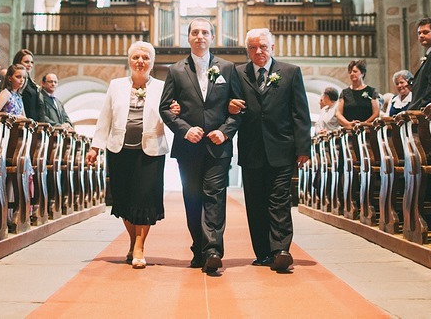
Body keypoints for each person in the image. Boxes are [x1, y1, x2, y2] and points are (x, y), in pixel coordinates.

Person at [159, 18, 241, 273]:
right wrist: (185, 130)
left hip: (218, 147)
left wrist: (224, 132)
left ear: (212, 37)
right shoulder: (176, 70)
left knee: (215, 197)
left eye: (205, 32)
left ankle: (213, 250)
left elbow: (239, 108)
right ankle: (198, 248)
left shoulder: (228, 68)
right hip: (189, 148)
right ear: (188, 37)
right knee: (192, 198)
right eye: (195, 32)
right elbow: (165, 108)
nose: (200, 36)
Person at [227, 28, 310, 272]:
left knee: (279, 200)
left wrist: (303, 147)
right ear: (247, 50)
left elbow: (300, 112)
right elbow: (230, 104)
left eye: (263, 46)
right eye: (253, 47)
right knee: (255, 202)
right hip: (251, 148)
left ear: (272, 48)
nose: (258, 51)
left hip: (282, 147)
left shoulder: (290, 72)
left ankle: (281, 250)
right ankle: (263, 252)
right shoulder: (238, 73)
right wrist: (229, 105)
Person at [87, 42, 168, 269]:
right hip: (119, 150)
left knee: (144, 200)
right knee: (125, 199)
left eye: (145, 57)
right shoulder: (116, 85)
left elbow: (170, 113)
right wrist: (95, 147)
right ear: (129, 60)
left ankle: (140, 247)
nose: (140, 61)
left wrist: (175, 111)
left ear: (152, 62)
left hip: (150, 152)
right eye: (136, 57)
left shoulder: (162, 87)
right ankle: (133, 241)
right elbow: (105, 118)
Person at [335, 59, 379, 128]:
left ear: (362, 73)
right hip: (349, 129)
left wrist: (363, 124)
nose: (352, 74)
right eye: (350, 72)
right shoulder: (344, 93)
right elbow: (338, 114)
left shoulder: (371, 91)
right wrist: (349, 124)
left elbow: (376, 113)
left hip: (367, 129)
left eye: (355, 71)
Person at [14, 49, 43, 121]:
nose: (30, 65)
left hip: (34, 122)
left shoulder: (31, 82)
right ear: (18, 63)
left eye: (32, 62)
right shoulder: (17, 82)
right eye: (26, 62)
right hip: (22, 121)